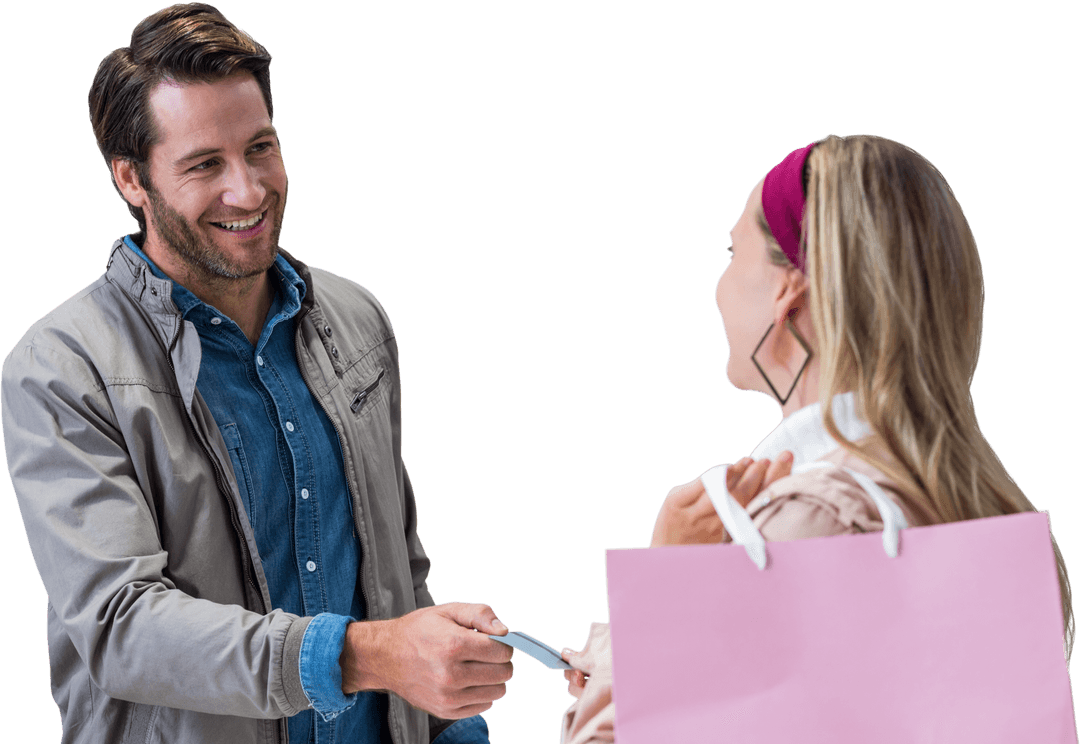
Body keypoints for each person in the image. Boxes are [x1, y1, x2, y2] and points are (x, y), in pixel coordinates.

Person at [0, 4, 513, 743]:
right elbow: (121, 627)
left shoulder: (356, 318)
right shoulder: (60, 369)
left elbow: (398, 564)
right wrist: (364, 656)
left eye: (261, 148)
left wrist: (447, 721)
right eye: (204, 164)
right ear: (131, 179)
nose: (247, 190)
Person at [555, 134, 1077, 743]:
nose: (720, 285)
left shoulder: (809, 522)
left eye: (732, 253)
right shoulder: (982, 510)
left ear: (788, 288)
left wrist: (664, 594)